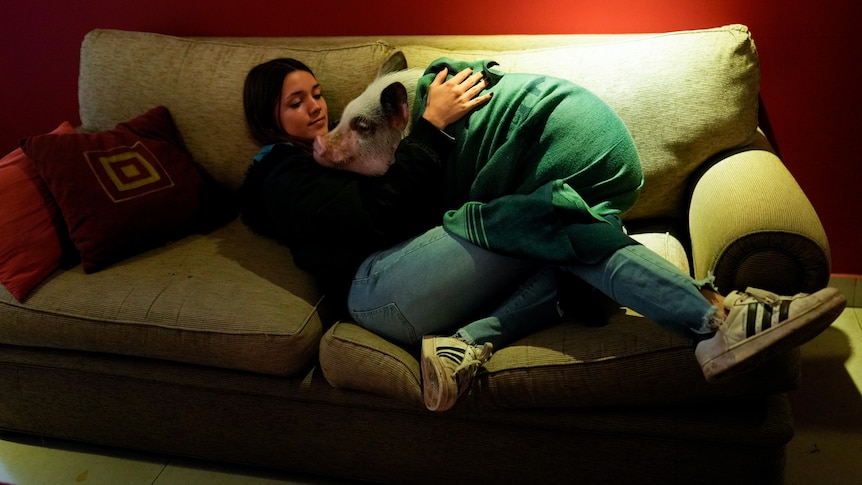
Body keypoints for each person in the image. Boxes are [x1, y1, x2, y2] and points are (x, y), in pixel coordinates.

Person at [238, 58, 846, 413]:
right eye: (297, 103)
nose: (316, 109)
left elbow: (402, 198)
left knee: (552, 235)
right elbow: (377, 220)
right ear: (269, 118)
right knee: (550, 214)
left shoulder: (330, 154)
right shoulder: (282, 174)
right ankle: (715, 318)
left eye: (317, 94)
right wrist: (430, 127)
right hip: (377, 292)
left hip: (414, 271)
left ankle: (464, 345)